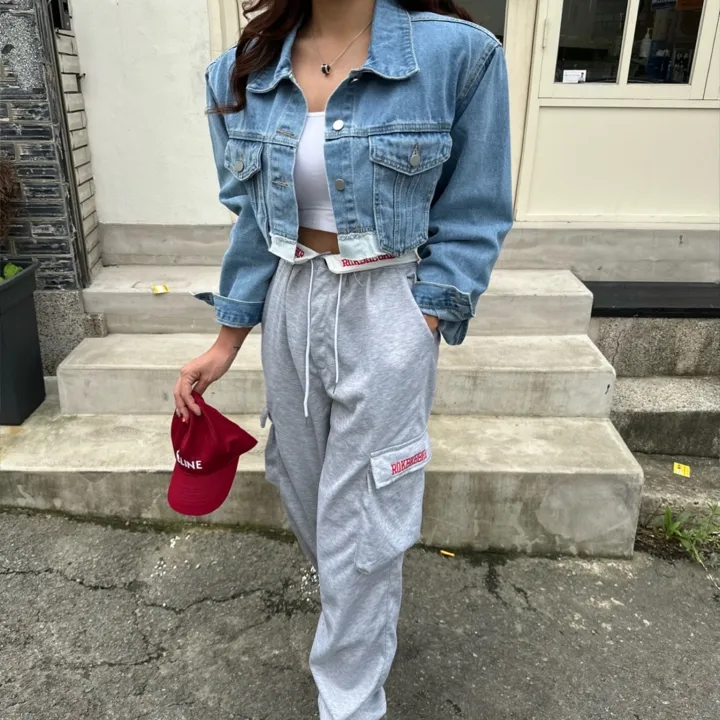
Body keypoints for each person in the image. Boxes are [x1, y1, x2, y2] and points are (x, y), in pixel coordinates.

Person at [174, 0, 512, 717]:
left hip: (387, 300)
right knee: (305, 492)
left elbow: (476, 210)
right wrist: (227, 338)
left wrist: (421, 319)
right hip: (289, 298)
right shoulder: (240, 71)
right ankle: (359, 622)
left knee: (363, 517)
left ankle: (351, 699)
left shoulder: (459, 55)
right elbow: (252, 220)